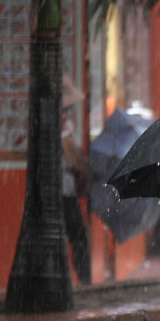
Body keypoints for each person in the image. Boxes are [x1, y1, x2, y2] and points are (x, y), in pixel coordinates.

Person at [61, 76, 91, 285]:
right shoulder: (63, 124)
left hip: (60, 188)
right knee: (78, 236)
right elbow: (72, 156)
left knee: (69, 236)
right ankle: (83, 279)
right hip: (63, 190)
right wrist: (92, 170)